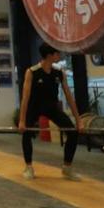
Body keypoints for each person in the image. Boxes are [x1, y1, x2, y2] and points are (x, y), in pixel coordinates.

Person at [19, 43, 82, 181]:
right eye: (57, 53)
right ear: (50, 55)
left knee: (72, 132)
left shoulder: (59, 72)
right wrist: (22, 120)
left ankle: (67, 167)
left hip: (51, 107)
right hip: (34, 106)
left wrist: (78, 120)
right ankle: (28, 167)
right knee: (26, 133)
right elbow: (25, 98)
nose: (59, 56)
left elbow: (69, 97)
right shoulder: (32, 72)